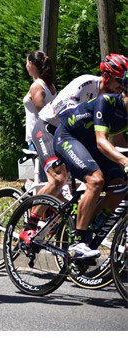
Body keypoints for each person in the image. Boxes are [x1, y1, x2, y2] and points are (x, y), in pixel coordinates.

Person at [52, 79, 128, 259]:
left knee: (120, 184)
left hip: (89, 143)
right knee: (96, 180)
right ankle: (78, 240)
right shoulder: (107, 102)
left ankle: (92, 226)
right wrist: (125, 161)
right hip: (68, 136)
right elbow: (102, 142)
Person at [23, 50, 56, 179]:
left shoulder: (37, 86)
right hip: (48, 136)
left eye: (26, 62)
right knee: (35, 179)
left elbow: (42, 115)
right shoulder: (50, 85)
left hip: (39, 139)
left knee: (43, 181)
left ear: (31, 63)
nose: (26, 66)